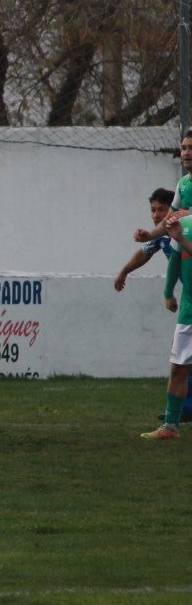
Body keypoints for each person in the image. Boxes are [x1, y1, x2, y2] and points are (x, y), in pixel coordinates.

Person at [144, 210, 192, 440]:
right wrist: (168, 293)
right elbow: (175, 260)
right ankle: (171, 426)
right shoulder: (183, 223)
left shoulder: (182, 230)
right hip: (189, 310)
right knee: (178, 368)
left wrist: (182, 238)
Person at [134, 130, 192, 244]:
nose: (186, 153)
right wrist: (149, 235)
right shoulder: (182, 183)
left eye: (191, 148)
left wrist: (190, 215)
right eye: (184, 148)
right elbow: (167, 220)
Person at [115, 188, 175, 292]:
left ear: (173, 210)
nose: (156, 215)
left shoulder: (186, 228)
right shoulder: (159, 236)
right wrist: (124, 272)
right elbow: (144, 253)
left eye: (162, 210)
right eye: (153, 210)